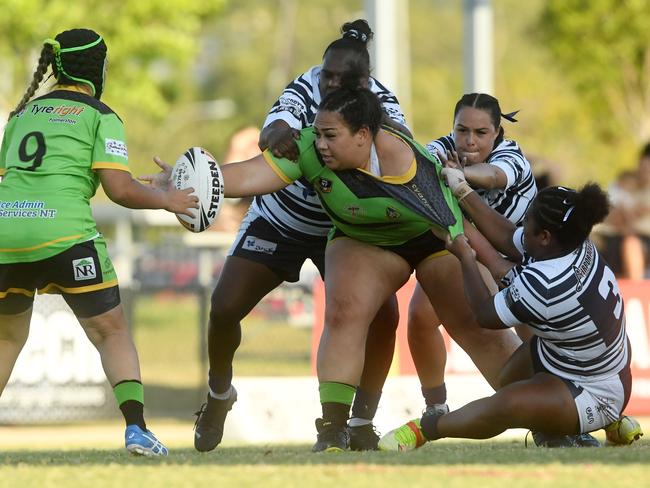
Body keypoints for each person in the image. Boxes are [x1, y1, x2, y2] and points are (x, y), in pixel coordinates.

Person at [147, 85, 521, 452]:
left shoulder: (410, 171)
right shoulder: (310, 145)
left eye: (330, 136)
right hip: (366, 238)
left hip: (435, 237)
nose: (320, 143)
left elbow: (465, 234)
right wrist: (183, 184)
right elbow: (245, 177)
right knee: (344, 312)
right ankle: (333, 430)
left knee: (477, 323)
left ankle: (543, 415)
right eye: (319, 134)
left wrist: (499, 272)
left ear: (363, 135)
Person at [190, 19, 410, 453]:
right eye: (325, 74)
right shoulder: (307, 87)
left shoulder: (382, 104)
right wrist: (280, 137)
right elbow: (271, 131)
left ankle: (360, 421)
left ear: (363, 83)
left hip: (342, 228)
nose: (327, 84)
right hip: (281, 218)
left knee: (383, 315)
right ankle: (219, 395)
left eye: (338, 79)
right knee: (224, 307)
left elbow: (400, 152)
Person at [0, 29, 198, 456]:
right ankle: (137, 429)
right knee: (111, 333)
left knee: (6, 339)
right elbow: (120, 190)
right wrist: (169, 200)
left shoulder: (20, 116)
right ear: (96, 69)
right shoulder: (100, 114)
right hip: (66, 236)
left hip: (6, 236)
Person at [379, 175, 642, 450]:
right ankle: (566, 426)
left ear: (544, 237)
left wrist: (465, 259)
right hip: (584, 360)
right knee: (508, 380)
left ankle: (425, 429)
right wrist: (459, 193)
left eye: (528, 221)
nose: (522, 225)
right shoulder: (574, 245)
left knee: (507, 404)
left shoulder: (547, 284)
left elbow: (484, 313)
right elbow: (504, 239)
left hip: (592, 390)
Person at [406, 93, 537, 419]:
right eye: (462, 130)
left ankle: (566, 409)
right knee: (420, 318)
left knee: (536, 337)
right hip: (475, 249)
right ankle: (435, 407)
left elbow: (493, 176)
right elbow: (416, 163)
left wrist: (459, 176)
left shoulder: (512, 156)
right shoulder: (442, 149)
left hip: (527, 259)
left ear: (497, 132)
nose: (468, 140)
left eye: (480, 133)